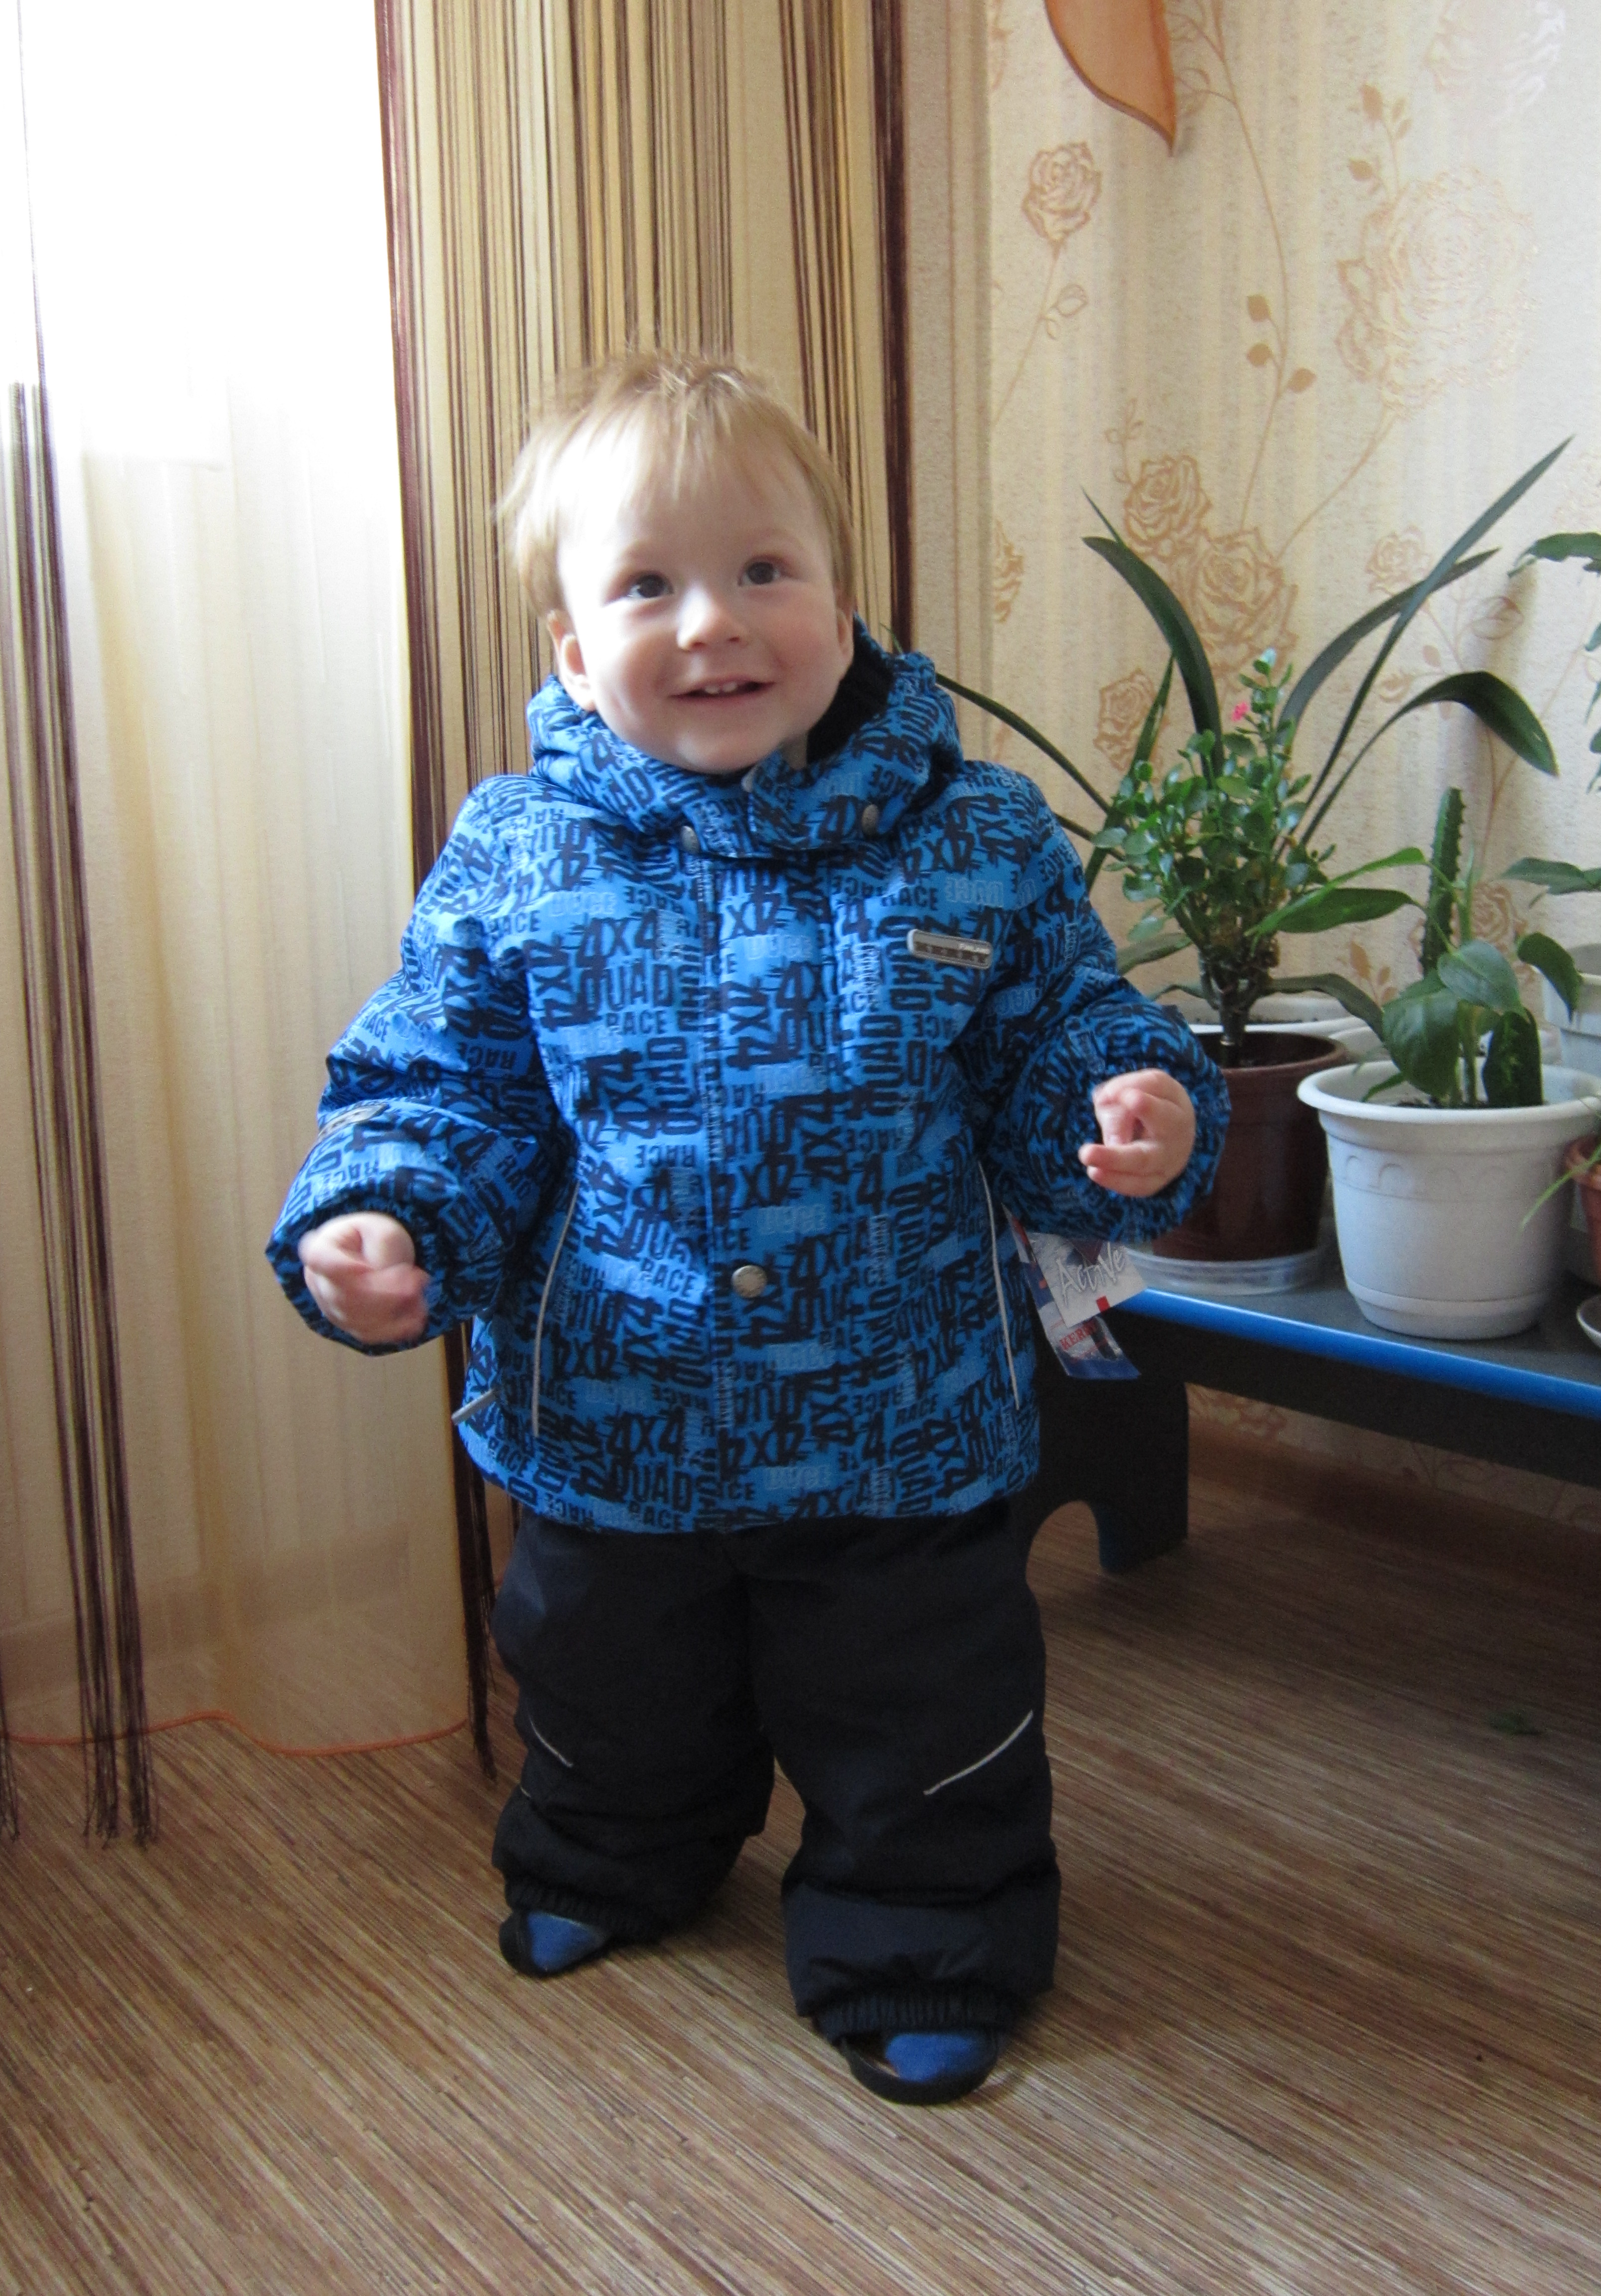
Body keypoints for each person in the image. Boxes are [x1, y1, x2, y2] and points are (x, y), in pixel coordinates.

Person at [268, 353, 1225, 2108]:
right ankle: (611, 1857)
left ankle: (924, 1935)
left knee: (920, 1720)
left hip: (901, 1427)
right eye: (646, 585)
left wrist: (1129, 1116)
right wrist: (385, 1212)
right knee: (609, 1694)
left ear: (842, 608)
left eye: (762, 570)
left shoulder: (977, 836)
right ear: (574, 652)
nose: (711, 621)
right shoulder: (519, 851)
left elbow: (1062, 1041)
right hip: (613, 1424)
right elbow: (442, 1084)